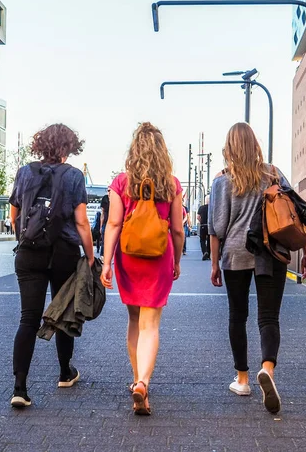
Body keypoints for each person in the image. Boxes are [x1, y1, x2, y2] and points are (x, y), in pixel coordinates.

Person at [208, 122, 306, 414]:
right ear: (255, 144)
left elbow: (217, 227)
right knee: (269, 318)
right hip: (271, 252)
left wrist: (215, 264)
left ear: (229, 148)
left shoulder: (222, 181)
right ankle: (267, 368)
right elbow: (295, 213)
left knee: (237, 316)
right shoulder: (273, 173)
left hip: (235, 255)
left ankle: (242, 379)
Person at [8, 123, 94, 408]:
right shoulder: (73, 176)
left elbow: (14, 215)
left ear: (40, 145)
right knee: (63, 313)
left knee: (28, 318)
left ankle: (20, 388)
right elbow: (82, 222)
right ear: (68, 147)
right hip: (63, 252)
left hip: (29, 251)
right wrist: (90, 255)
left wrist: (24, 240)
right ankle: (65, 372)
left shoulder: (24, 172)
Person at [101, 122, 185, 415]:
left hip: (129, 257)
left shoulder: (121, 183)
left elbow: (112, 224)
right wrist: (176, 261)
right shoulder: (171, 184)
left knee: (135, 321)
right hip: (159, 257)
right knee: (151, 324)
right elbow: (177, 230)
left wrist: (107, 262)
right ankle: (143, 383)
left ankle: (137, 380)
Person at [197, 195, 210, 260]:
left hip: (203, 225)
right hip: (210, 226)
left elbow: (198, 217)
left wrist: (201, 221)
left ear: (205, 200)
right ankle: (209, 253)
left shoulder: (201, 208)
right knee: (210, 240)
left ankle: (204, 252)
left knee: (202, 240)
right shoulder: (212, 207)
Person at [99, 189, 110, 255]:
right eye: (108, 190)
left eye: (110, 190)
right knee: (104, 242)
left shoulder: (116, 199)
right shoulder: (105, 198)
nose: (109, 192)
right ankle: (102, 256)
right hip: (106, 223)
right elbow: (102, 213)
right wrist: (101, 226)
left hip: (113, 222)